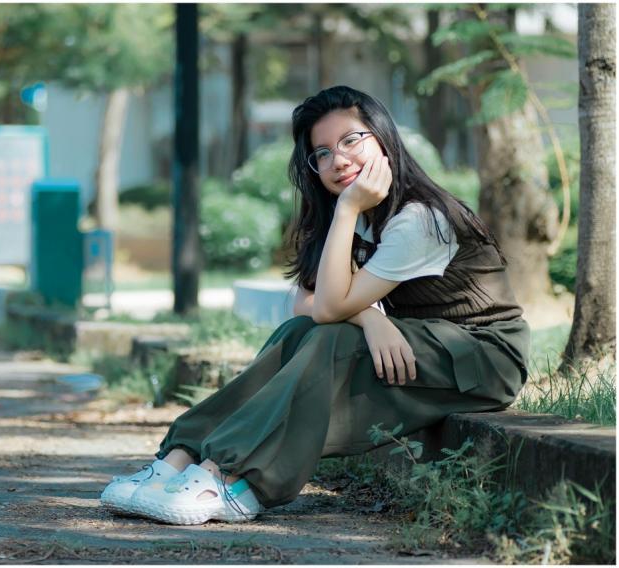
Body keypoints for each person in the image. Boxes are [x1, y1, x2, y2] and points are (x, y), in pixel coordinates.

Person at [99, 85, 531, 526]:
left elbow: (326, 311)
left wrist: (346, 213)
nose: (337, 160)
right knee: (299, 335)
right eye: (322, 152)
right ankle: (181, 456)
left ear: (384, 138)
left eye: (350, 141)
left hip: (485, 356)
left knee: (332, 338)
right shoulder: (362, 215)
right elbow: (304, 304)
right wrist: (371, 319)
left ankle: (228, 476)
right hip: (426, 347)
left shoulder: (418, 218)